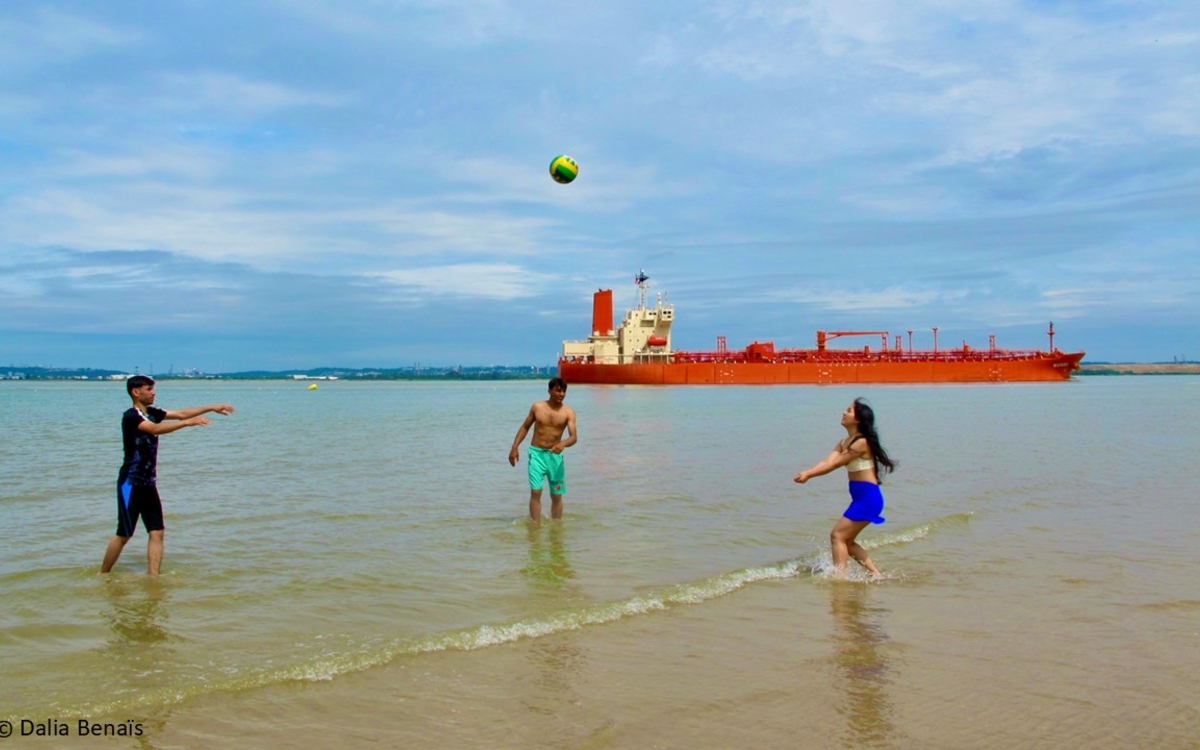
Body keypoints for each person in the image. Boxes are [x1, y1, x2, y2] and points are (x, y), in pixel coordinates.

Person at [100, 375, 234, 576]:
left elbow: (180, 413)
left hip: (148, 483)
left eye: (153, 388)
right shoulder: (131, 417)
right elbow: (154, 429)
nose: (153, 392)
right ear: (136, 392)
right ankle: (103, 574)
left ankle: (153, 577)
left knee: (157, 531)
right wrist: (188, 423)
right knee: (124, 534)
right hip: (130, 483)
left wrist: (211, 407)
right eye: (149, 389)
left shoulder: (152, 412)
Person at [794, 398, 896, 579]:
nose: (843, 413)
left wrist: (809, 476)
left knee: (837, 536)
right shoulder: (843, 442)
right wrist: (807, 471)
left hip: (868, 499)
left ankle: (839, 578)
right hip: (862, 499)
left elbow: (835, 465)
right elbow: (827, 461)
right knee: (846, 541)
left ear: (857, 419)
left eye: (848, 411)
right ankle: (876, 576)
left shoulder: (861, 442)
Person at [509, 377, 577, 524]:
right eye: (558, 391)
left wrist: (563, 443)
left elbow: (574, 437)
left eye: (564, 391)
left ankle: (557, 528)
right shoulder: (537, 407)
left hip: (555, 456)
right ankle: (535, 526)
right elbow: (525, 427)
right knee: (536, 491)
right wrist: (514, 447)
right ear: (549, 391)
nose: (561, 394)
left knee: (557, 494)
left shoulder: (568, 412)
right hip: (537, 454)